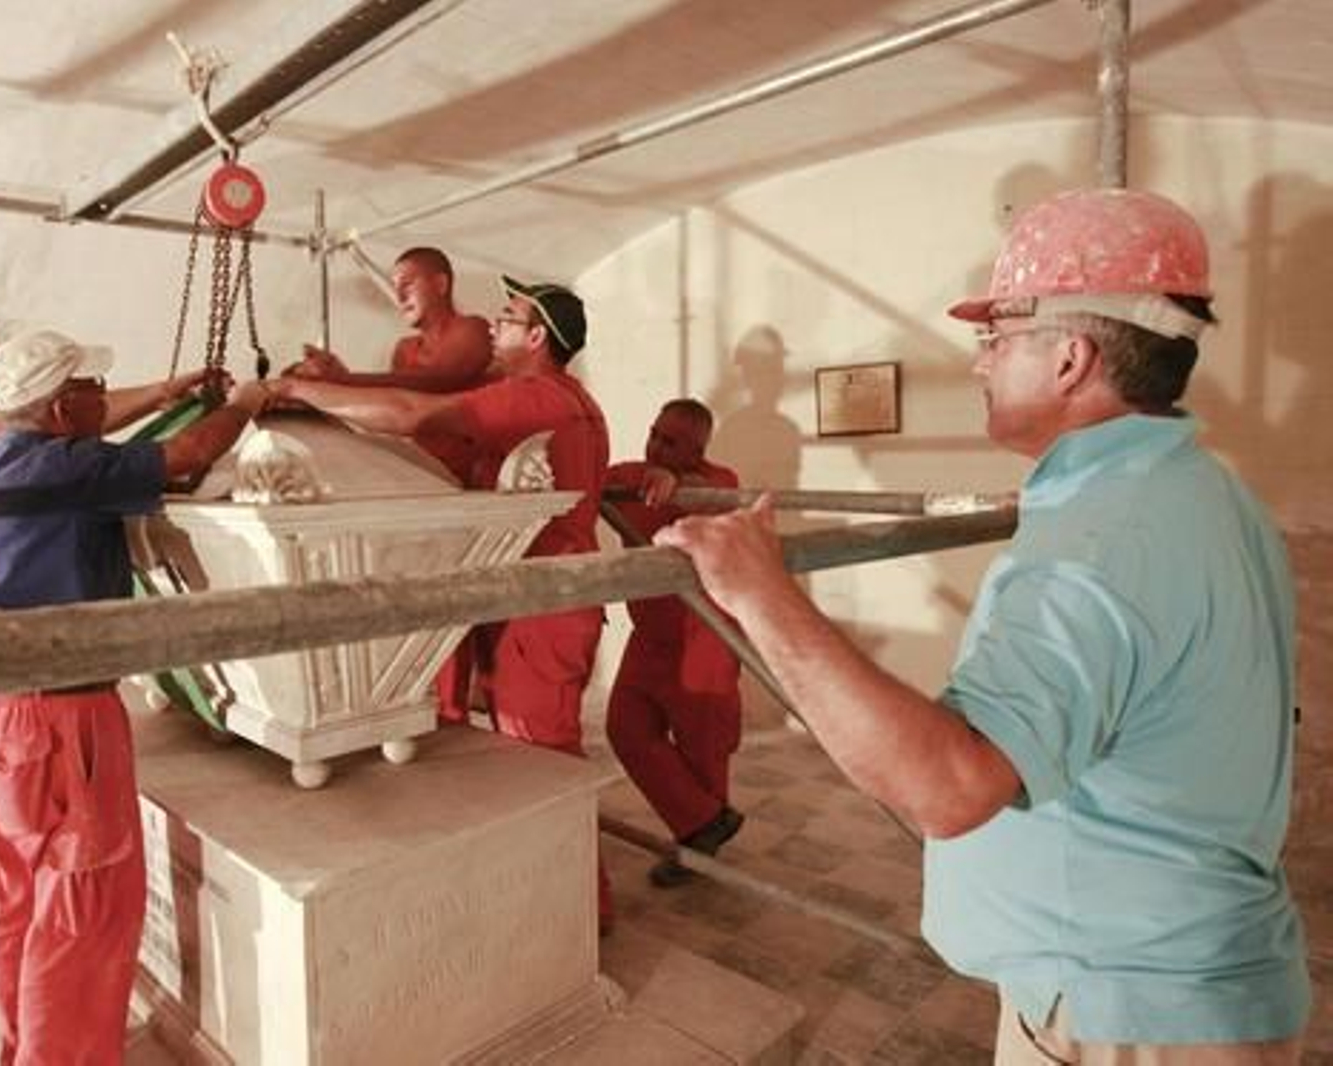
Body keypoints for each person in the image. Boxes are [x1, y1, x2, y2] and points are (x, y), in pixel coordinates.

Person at [657, 189, 1309, 1062]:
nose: (978, 364)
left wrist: (760, 591)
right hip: (1188, 984)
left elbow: (949, 786)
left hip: (1119, 1012)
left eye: (997, 337)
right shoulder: (1203, 491)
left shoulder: (1099, 539)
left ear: (1070, 358)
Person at [0, 329, 270, 1065]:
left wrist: (170, 393)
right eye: (92, 388)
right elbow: (187, 455)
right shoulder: (66, 467)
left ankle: (25, 1048)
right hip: (57, 720)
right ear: (61, 409)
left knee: (21, 896)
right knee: (82, 909)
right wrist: (250, 400)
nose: (103, 398)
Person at [0, 285, 207, 989]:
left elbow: (50, 421)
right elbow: (56, 432)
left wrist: (165, 391)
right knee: (66, 886)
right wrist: (206, 401)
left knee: (1, 847)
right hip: (4, 660)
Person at [268, 276, 614, 923]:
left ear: (537, 338)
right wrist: (342, 385)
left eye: (508, 318)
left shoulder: (535, 395)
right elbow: (422, 407)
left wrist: (292, 392)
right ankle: (551, 900)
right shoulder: (568, 398)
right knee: (527, 758)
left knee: (543, 761)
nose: (496, 325)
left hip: (545, 603)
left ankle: (579, 914)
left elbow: (410, 412)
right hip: (534, 596)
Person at [603, 399, 744, 888]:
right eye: (655, 434)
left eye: (672, 442)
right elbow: (584, 480)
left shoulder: (719, 480)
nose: (656, 447)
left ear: (697, 451)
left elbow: (720, 498)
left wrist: (680, 486)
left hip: (704, 634)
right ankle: (705, 824)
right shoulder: (628, 476)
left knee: (704, 750)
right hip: (650, 635)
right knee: (624, 726)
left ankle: (699, 846)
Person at [292, 246, 493, 480]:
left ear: (440, 284)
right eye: (395, 288)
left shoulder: (473, 328)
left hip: (469, 477)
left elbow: (440, 380)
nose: (399, 298)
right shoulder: (404, 349)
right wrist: (339, 378)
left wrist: (340, 381)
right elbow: (393, 405)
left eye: (407, 285)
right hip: (421, 471)